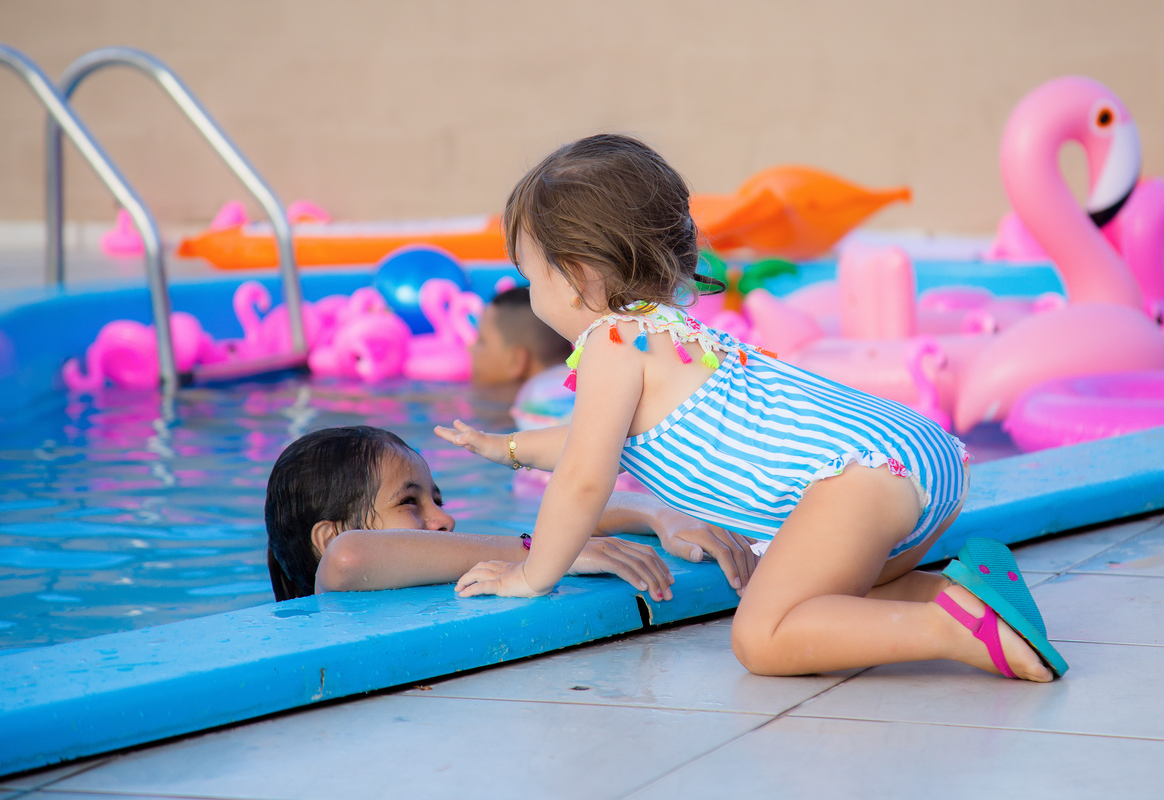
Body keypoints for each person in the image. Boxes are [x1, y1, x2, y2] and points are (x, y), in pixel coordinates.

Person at [435, 133, 1066, 682]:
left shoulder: (611, 343)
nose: (531, 291)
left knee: (763, 635)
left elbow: (585, 476)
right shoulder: (667, 332)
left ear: (575, 274)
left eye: (529, 276)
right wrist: (508, 449)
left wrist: (531, 576)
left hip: (858, 481)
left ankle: (956, 632)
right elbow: (589, 441)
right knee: (847, 589)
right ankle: (969, 591)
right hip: (910, 457)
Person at [264, 425, 756, 601]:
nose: (443, 520)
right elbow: (352, 557)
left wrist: (660, 516)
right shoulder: (336, 577)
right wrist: (549, 552)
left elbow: (583, 514)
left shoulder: (458, 559)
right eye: (409, 502)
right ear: (325, 537)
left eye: (437, 499)